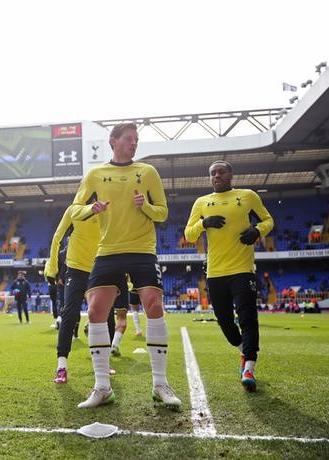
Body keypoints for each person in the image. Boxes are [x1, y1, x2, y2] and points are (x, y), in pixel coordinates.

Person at [70, 122, 181, 409]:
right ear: (113, 141)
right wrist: (91, 209)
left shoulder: (147, 172)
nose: (134, 143)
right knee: (95, 311)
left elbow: (163, 213)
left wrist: (144, 205)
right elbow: (74, 209)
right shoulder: (95, 174)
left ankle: (160, 385)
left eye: (136, 139)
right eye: (130, 139)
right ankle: (102, 387)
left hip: (142, 249)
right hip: (108, 250)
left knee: (154, 305)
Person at [184, 160, 273, 392]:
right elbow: (189, 234)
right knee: (224, 321)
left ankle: (250, 368)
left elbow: (268, 220)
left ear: (230, 174)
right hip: (215, 272)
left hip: (243, 270)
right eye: (213, 173)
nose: (217, 176)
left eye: (221, 172)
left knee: (248, 318)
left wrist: (256, 231)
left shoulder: (247, 196)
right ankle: (243, 349)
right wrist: (204, 223)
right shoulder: (201, 202)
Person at [45, 203, 116, 384]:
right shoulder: (73, 211)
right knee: (69, 314)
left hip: (100, 268)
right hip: (76, 270)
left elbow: (116, 239)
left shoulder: (108, 209)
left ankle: (104, 363)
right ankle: (62, 367)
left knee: (108, 317)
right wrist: (51, 269)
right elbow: (57, 238)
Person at [110, 276, 143, 357]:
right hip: (121, 283)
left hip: (102, 281)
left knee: (101, 314)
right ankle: (115, 344)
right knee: (121, 318)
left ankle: (90, 323)